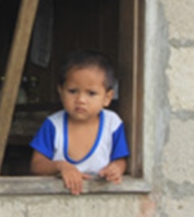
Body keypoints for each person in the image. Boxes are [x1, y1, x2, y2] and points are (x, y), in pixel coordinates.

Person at [30, 50, 129, 195]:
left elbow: (120, 160)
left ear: (107, 98)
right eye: (72, 91)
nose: (81, 100)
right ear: (60, 91)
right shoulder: (53, 124)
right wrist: (60, 166)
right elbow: (36, 165)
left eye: (91, 93)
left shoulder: (112, 123)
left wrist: (117, 168)